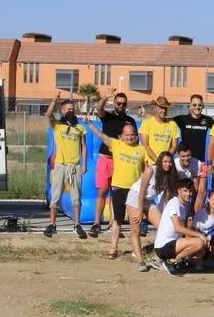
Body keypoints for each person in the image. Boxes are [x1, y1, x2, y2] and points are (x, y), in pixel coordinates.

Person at [84, 120, 145, 264]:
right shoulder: (116, 145)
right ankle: (113, 247)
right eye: (127, 135)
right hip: (119, 188)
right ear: (121, 136)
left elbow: (144, 170)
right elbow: (101, 135)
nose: (130, 137)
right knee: (117, 219)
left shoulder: (141, 150)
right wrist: (90, 124)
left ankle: (135, 250)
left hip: (134, 190)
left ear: (136, 136)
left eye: (133, 135)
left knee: (134, 221)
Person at [89, 87, 137, 237]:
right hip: (106, 158)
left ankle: (114, 224)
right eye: (118, 103)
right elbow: (98, 109)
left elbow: (134, 139)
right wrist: (105, 97)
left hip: (121, 160)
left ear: (126, 104)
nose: (121, 106)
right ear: (114, 104)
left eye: (123, 104)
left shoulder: (130, 121)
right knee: (102, 191)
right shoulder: (108, 117)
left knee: (115, 194)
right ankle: (96, 223)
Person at [45, 92, 88, 238]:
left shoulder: (80, 127)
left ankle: (77, 225)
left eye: (72, 108)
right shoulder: (57, 125)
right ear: (62, 111)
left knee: (76, 197)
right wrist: (53, 101)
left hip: (75, 165)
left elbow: (84, 146)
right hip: (60, 165)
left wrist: (84, 164)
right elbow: (48, 114)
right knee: (55, 196)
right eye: (67, 108)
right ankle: (53, 224)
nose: (70, 110)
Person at [125, 151, 178, 263]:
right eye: (165, 161)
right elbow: (142, 191)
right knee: (136, 230)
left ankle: (152, 250)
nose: (168, 164)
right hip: (136, 197)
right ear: (160, 162)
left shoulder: (168, 176)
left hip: (148, 200)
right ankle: (140, 260)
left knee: (164, 227)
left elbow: (167, 196)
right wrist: (140, 210)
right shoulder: (150, 170)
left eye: (170, 162)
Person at [155, 179, 207, 276]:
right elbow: (178, 228)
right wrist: (199, 234)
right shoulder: (174, 203)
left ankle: (177, 261)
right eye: (185, 191)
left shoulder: (183, 206)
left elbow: (184, 230)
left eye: (190, 191)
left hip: (174, 243)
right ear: (178, 191)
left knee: (200, 250)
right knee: (199, 242)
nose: (188, 194)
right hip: (163, 246)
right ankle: (171, 261)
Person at [173, 94, 214, 178]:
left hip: (200, 161)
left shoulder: (207, 120)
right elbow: (164, 120)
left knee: (201, 191)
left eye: (200, 105)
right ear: (190, 106)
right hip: (185, 160)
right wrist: (146, 115)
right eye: (194, 105)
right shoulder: (182, 119)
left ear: (203, 106)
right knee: (183, 188)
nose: (197, 107)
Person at [138, 95, 180, 164]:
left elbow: (174, 146)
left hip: (166, 165)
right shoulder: (147, 123)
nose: (163, 110)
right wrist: (157, 160)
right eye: (161, 108)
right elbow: (145, 145)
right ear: (155, 108)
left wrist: (166, 161)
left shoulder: (172, 124)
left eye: (165, 108)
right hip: (150, 164)